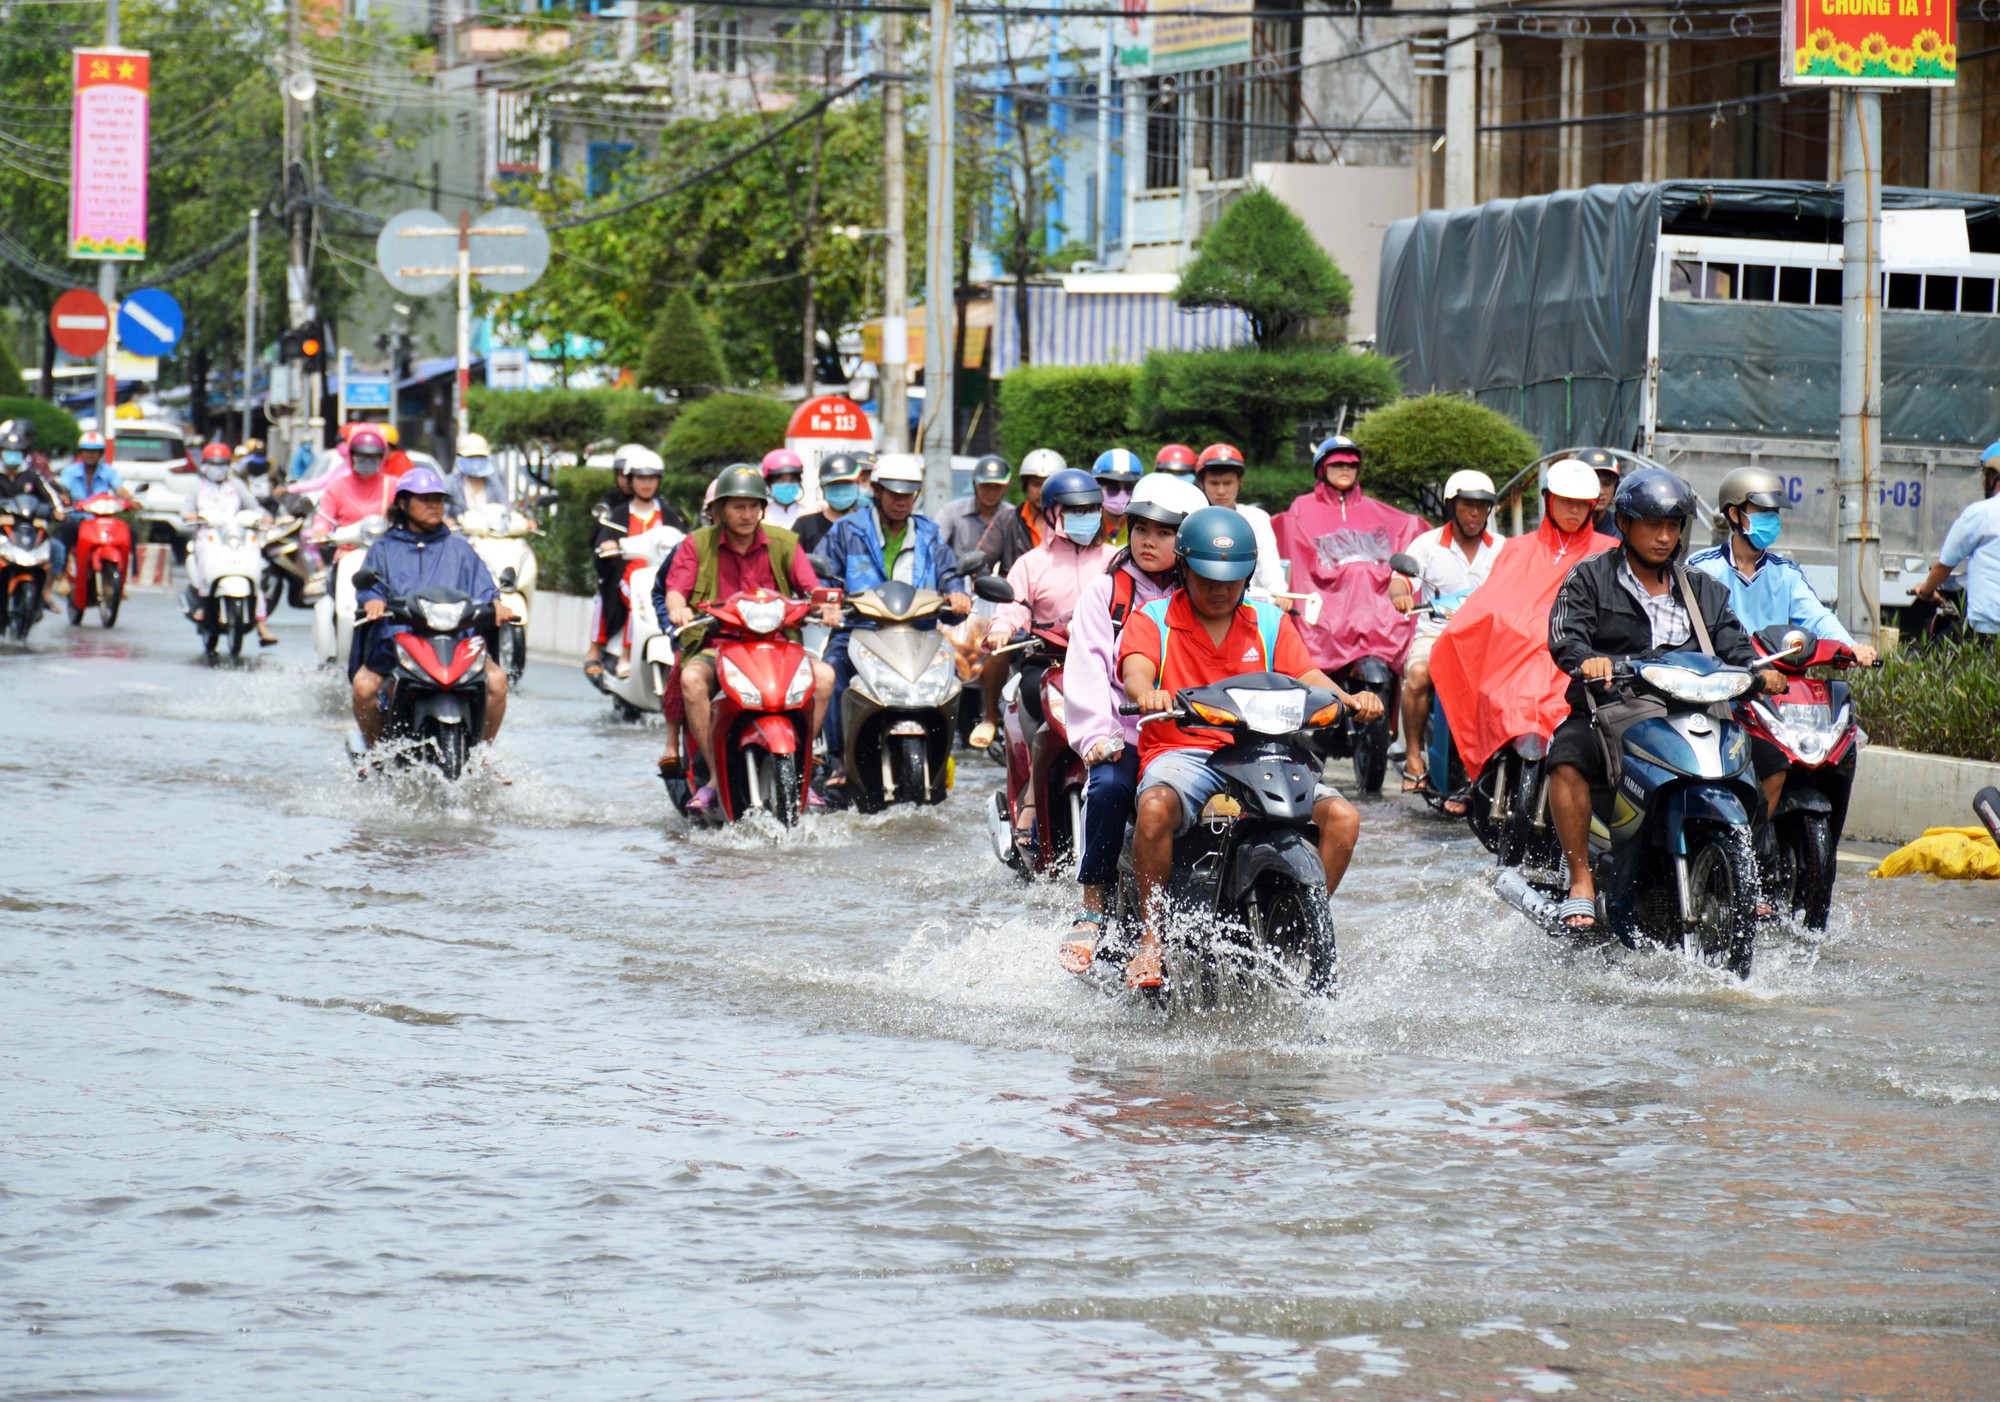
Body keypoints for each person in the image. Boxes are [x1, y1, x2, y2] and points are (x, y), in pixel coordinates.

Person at [1118, 506, 1382, 989]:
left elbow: (1307, 676)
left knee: (1343, 818)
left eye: (1232, 579)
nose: (1219, 589)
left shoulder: (1268, 621)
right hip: (1185, 752)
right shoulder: (1151, 618)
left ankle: (1300, 924)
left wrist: (1349, 699)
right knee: (1154, 808)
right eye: (1207, 578)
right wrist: (1146, 693)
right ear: (1183, 569)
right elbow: (1136, 668)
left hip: (1262, 751)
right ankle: (1151, 943)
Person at [1545, 468, 1786, 934]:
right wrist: (1588, 661)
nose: (1663, 536)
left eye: (1673, 526)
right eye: (1653, 525)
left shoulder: (1702, 589)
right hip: (1614, 708)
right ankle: (1580, 883)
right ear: (1625, 524)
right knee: (1566, 760)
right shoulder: (1590, 578)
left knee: (1772, 764)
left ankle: (1743, 873)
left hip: (1698, 710)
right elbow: (1565, 638)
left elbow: (1735, 646)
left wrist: (1760, 672)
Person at [1056, 473, 1206, 970]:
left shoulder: (1212, 591)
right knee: (1109, 788)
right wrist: (1097, 735)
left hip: (1196, 737)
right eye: (1141, 528)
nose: (1148, 540)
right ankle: (1093, 909)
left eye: (1164, 532)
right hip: (1128, 734)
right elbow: (1086, 668)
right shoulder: (1108, 592)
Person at [1428, 458, 1614, 816]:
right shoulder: (1516, 547)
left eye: (1581, 504)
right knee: (1451, 646)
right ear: (1548, 500)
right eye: (1565, 501)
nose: (1573, 510)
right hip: (1513, 650)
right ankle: (1474, 770)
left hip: (1573, 654)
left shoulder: (1608, 550)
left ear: (1593, 506)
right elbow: (1491, 598)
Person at [660, 464, 837, 811]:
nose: (746, 514)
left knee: (826, 676)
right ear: (719, 510)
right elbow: (675, 591)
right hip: (717, 645)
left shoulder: (785, 542)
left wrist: (825, 605)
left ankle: (804, 767)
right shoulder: (697, 544)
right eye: (737, 506)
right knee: (693, 679)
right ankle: (713, 776)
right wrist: (679, 609)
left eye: (753, 506)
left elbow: (811, 587)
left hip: (778, 646)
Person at [816, 453, 970, 788]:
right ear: (876, 490)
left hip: (918, 632)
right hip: (860, 631)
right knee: (833, 669)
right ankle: (839, 761)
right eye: (894, 493)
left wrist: (958, 593)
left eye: (908, 494)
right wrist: (827, 602)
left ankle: (943, 756)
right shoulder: (846, 531)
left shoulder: (928, 533)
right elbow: (823, 578)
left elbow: (950, 572)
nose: (901, 501)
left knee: (952, 677)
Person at [352, 467, 512, 754]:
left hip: (459, 642)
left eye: (438, 499)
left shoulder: (460, 548)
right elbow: (370, 584)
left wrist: (497, 604)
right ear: (403, 504)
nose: (434, 505)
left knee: (498, 682)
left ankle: (483, 756)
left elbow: (484, 587)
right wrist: (372, 600)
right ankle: (376, 754)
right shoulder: (383, 549)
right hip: (399, 640)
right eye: (425, 499)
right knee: (363, 688)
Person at [1274, 433, 1429, 688]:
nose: (1345, 469)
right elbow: (1290, 545)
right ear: (1322, 469)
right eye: (1337, 464)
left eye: (1351, 465)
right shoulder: (1302, 508)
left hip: (1378, 617)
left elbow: (1413, 529)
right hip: (1325, 613)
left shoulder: (1377, 510)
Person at [976, 468, 1115, 750]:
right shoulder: (1031, 563)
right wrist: (1001, 629)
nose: (1085, 516)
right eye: (1075, 510)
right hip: (1047, 662)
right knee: (1031, 697)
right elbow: (1012, 607)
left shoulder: (1115, 560)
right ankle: (1034, 782)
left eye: (1091, 509)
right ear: (1052, 513)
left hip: (1105, 664)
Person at [1391, 469, 1502, 792]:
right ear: (1452, 507)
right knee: (1419, 675)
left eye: (1483, 507)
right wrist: (1400, 596)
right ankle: (1413, 757)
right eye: (1468, 505)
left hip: (1487, 639)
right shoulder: (1427, 545)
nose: (1476, 514)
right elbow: (1401, 579)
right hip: (1436, 632)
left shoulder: (1503, 548)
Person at [586, 449, 686, 685]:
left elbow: (684, 541)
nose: (646, 484)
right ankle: (625, 655)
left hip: (661, 575)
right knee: (636, 601)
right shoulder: (619, 514)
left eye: (652, 478)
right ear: (630, 480)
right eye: (641, 478)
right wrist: (608, 545)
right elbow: (603, 541)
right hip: (629, 575)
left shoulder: (668, 514)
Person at [183, 442, 282, 647]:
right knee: (203, 562)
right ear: (205, 464)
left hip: (236, 536)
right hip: (207, 536)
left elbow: (253, 506)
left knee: (255, 571)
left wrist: (266, 518)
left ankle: (261, 624)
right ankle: (203, 602)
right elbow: (186, 511)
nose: (218, 468)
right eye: (213, 464)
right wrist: (193, 516)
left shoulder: (235, 485)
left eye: (222, 464)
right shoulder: (197, 486)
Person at [1910, 443, 2000, 639]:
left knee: (1937, 654)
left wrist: (1926, 591)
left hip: (1987, 629)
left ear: (1995, 476)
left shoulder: (1982, 513)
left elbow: (1944, 565)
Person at [1193, 443, 1286, 598]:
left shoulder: (1257, 518)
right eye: (1214, 483)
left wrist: (1278, 592)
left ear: (1239, 482)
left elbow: (1268, 561)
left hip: (1252, 602)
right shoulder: (1193, 519)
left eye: (1228, 483)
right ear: (1202, 484)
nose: (1221, 491)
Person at [0, 420, 65, 609]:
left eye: (17, 451)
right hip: (4, 532)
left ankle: (45, 591)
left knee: (57, 549)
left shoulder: (32, 475)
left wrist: (57, 511)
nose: (12, 455)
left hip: (27, 531)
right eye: (7, 450)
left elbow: (50, 498)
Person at [977, 447, 1064, 574]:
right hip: (1014, 592)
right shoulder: (1006, 520)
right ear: (1026, 487)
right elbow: (981, 561)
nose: (1041, 491)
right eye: (1036, 484)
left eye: (1048, 484)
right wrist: (985, 583)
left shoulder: (1070, 520)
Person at [308, 428, 400, 542]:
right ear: (351, 455)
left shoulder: (393, 485)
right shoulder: (337, 486)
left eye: (373, 457)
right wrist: (320, 531)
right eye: (361, 455)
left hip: (384, 550)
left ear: (382, 457)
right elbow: (324, 517)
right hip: (347, 549)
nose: (367, 461)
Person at [936, 454, 1011, 556]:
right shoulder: (951, 512)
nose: (991, 492)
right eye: (986, 486)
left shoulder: (1012, 516)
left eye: (997, 487)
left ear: (1006, 488)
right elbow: (935, 547)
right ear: (975, 485)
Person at [793, 452, 865, 555]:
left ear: (857, 485)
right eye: (834, 484)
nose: (840, 490)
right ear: (823, 488)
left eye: (846, 483)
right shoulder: (804, 526)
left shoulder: (867, 526)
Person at [447, 432, 510, 518]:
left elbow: (506, 509)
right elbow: (443, 511)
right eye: (471, 457)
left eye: (480, 457)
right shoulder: (450, 484)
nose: (476, 462)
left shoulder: (495, 484)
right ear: (461, 458)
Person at [1092, 448, 1144, 545]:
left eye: (1129, 487)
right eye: (1113, 488)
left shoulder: (1142, 527)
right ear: (1097, 487)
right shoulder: (1088, 528)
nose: (1121, 494)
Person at [1576, 447, 1622, 540]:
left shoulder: (1622, 530)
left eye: (1607, 484)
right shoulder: (1565, 525)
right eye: (1594, 483)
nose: (1600, 491)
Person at [761, 449, 808, 530]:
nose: (787, 485)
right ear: (769, 483)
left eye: (792, 480)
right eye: (781, 481)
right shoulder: (760, 517)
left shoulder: (809, 515)